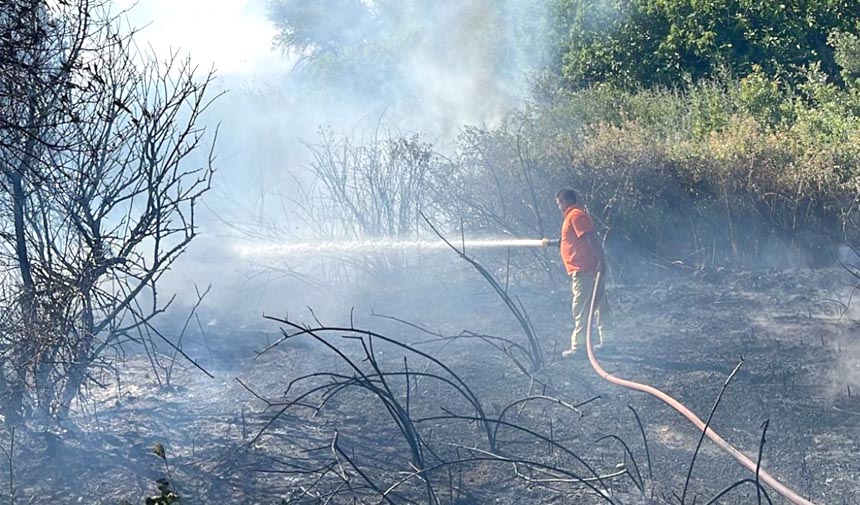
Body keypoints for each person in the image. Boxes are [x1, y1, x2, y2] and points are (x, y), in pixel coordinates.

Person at [542, 188, 611, 357]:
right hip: (590, 269)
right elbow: (578, 238)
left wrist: (602, 260)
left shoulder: (575, 216)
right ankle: (609, 341)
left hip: (585, 271)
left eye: (559, 203)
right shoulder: (575, 216)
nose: (558, 207)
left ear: (565, 201)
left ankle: (579, 347)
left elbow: (590, 237)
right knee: (601, 306)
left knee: (580, 307)